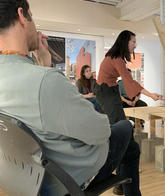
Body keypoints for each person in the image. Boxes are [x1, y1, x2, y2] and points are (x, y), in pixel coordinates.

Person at [0, 1, 141, 195]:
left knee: (131, 148)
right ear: (22, 16)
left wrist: (45, 64)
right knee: (125, 128)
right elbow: (100, 131)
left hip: (26, 178)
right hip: (66, 179)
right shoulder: (46, 81)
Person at [95, 30, 162, 126]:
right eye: (133, 42)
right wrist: (150, 95)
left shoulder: (117, 57)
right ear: (125, 42)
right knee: (117, 122)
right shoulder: (117, 59)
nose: (135, 45)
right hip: (105, 90)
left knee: (119, 121)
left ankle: (126, 139)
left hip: (110, 89)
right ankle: (120, 139)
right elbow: (130, 82)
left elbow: (129, 81)